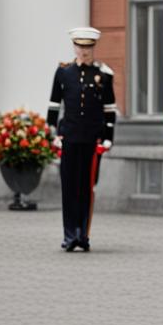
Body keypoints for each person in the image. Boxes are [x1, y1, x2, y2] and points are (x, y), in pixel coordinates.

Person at [47, 26, 116, 252]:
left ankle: (82, 234)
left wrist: (108, 138)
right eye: (80, 46)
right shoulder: (64, 73)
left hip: (92, 138)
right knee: (69, 186)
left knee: (86, 186)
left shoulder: (104, 74)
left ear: (93, 48)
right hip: (69, 136)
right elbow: (54, 105)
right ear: (74, 47)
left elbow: (109, 109)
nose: (83, 51)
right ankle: (69, 235)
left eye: (87, 47)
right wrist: (53, 134)